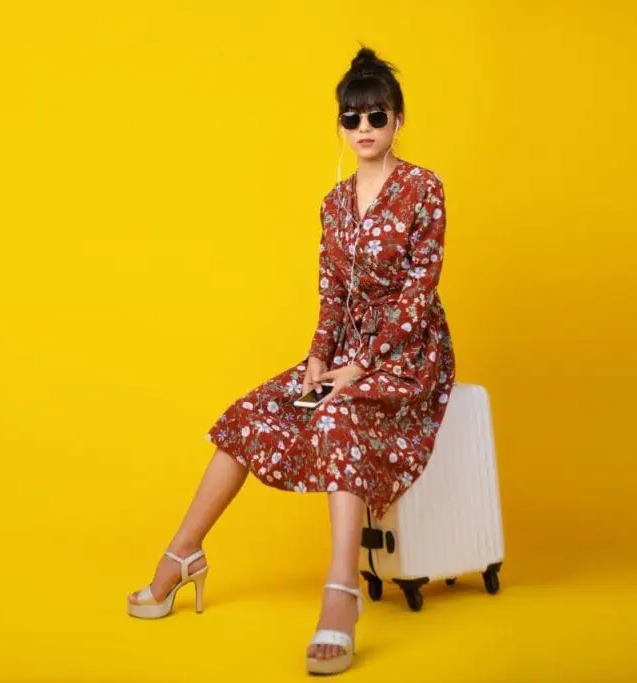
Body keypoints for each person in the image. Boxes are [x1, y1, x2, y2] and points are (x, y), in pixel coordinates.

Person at [126, 46, 456, 676]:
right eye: (352, 118)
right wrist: (318, 360)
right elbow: (332, 293)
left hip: (408, 352)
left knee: (338, 417)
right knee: (247, 415)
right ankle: (183, 553)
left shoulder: (423, 189)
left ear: (398, 120)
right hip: (343, 352)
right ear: (340, 124)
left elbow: (420, 292)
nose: (364, 128)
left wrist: (362, 365)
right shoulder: (333, 203)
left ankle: (341, 593)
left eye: (376, 116)